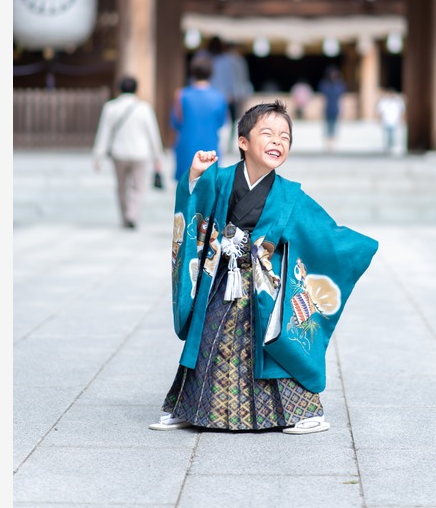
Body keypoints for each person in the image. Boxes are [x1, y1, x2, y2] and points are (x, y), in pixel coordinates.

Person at [150, 101, 379, 434]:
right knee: (209, 341)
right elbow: (194, 207)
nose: (277, 142)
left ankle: (304, 412)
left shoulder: (289, 196)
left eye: (285, 137)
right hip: (221, 281)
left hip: (262, 287)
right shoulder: (222, 179)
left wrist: (360, 248)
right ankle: (189, 407)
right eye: (267, 134)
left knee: (273, 344)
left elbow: (323, 234)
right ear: (243, 142)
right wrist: (196, 175)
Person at [91, 75, 166, 230]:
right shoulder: (145, 108)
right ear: (136, 90)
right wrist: (158, 157)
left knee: (121, 187)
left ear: (119, 89)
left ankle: (125, 216)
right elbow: (153, 134)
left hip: (119, 153)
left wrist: (98, 156)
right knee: (138, 187)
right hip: (140, 153)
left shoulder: (110, 107)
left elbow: (103, 132)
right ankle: (133, 215)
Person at [170, 52, 228, 182]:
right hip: (210, 150)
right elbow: (221, 124)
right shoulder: (219, 97)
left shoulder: (181, 95)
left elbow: (176, 123)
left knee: (186, 191)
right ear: (211, 73)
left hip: (186, 149)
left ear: (192, 73)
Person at [206, 37, 253, 151]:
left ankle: (227, 142)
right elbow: (234, 79)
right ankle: (228, 143)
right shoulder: (228, 60)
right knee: (229, 121)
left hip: (219, 95)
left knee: (226, 121)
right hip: (226, 95)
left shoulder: (220, 60)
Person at [317, 66, 348, 152]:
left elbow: (341, 99)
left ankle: (332, 144)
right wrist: (321, 109)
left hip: (335, 109)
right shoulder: (325, 85)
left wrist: (342, 109)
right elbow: (323, 99)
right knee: (327, 126)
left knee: (334, 126)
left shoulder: (339, 86)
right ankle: (328, 144)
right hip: (328, 108)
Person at [376, 88, 406, 154]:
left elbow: (402, 111)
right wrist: (379, 119)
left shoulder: (398, 101)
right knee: (387, 134)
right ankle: (387, 146)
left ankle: (391, 146)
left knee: (392, 134)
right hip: (386, 120)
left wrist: (402, 119)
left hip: (394, 120)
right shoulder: (384, 101)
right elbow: (380, 111)